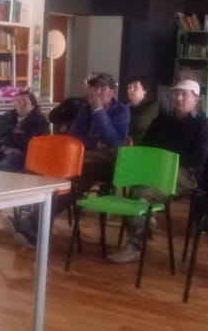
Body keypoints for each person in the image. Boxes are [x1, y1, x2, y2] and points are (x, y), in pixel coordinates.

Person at [8, 72, 129, 248]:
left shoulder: (121, 111)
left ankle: (34, 226)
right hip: (81, 159)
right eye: (95, 87)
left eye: (102, 88)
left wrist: (99, 111)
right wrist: (96, 142)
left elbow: (114, 142)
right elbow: (73, 137)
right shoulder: (84, 109)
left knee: (71, 183)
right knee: (55, 178)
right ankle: (36, 227)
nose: (97, 92)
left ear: (112, 92)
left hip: (108, 164)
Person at [107, 79, 208, 264]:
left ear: (196, 99)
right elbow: (145, 146)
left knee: (143, 193)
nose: (178, 98)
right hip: (156, 171)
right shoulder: (162, 121)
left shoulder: (204, 125)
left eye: (184, 94)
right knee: (137, 189)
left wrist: (165, 161)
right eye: (176, 94)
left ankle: (136, 245)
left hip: (186, 175)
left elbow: (198, 158)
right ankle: (142, 227)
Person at [0, 90, 49, 173]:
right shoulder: (9, 116)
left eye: (25, 102)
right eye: (18, 101)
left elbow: (38, 144)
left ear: (33, 105)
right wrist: (11, 130)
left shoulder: (39, 121)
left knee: (3, 167)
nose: (21, 104)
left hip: (23, 154)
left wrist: (17, 150)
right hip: (1, 149)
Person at [125, 75, 159, 144]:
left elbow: (140, 123)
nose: (131, 89)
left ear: (144, 90)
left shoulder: (152, 106)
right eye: (129, 87)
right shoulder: (127, 107)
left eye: (135, 87)